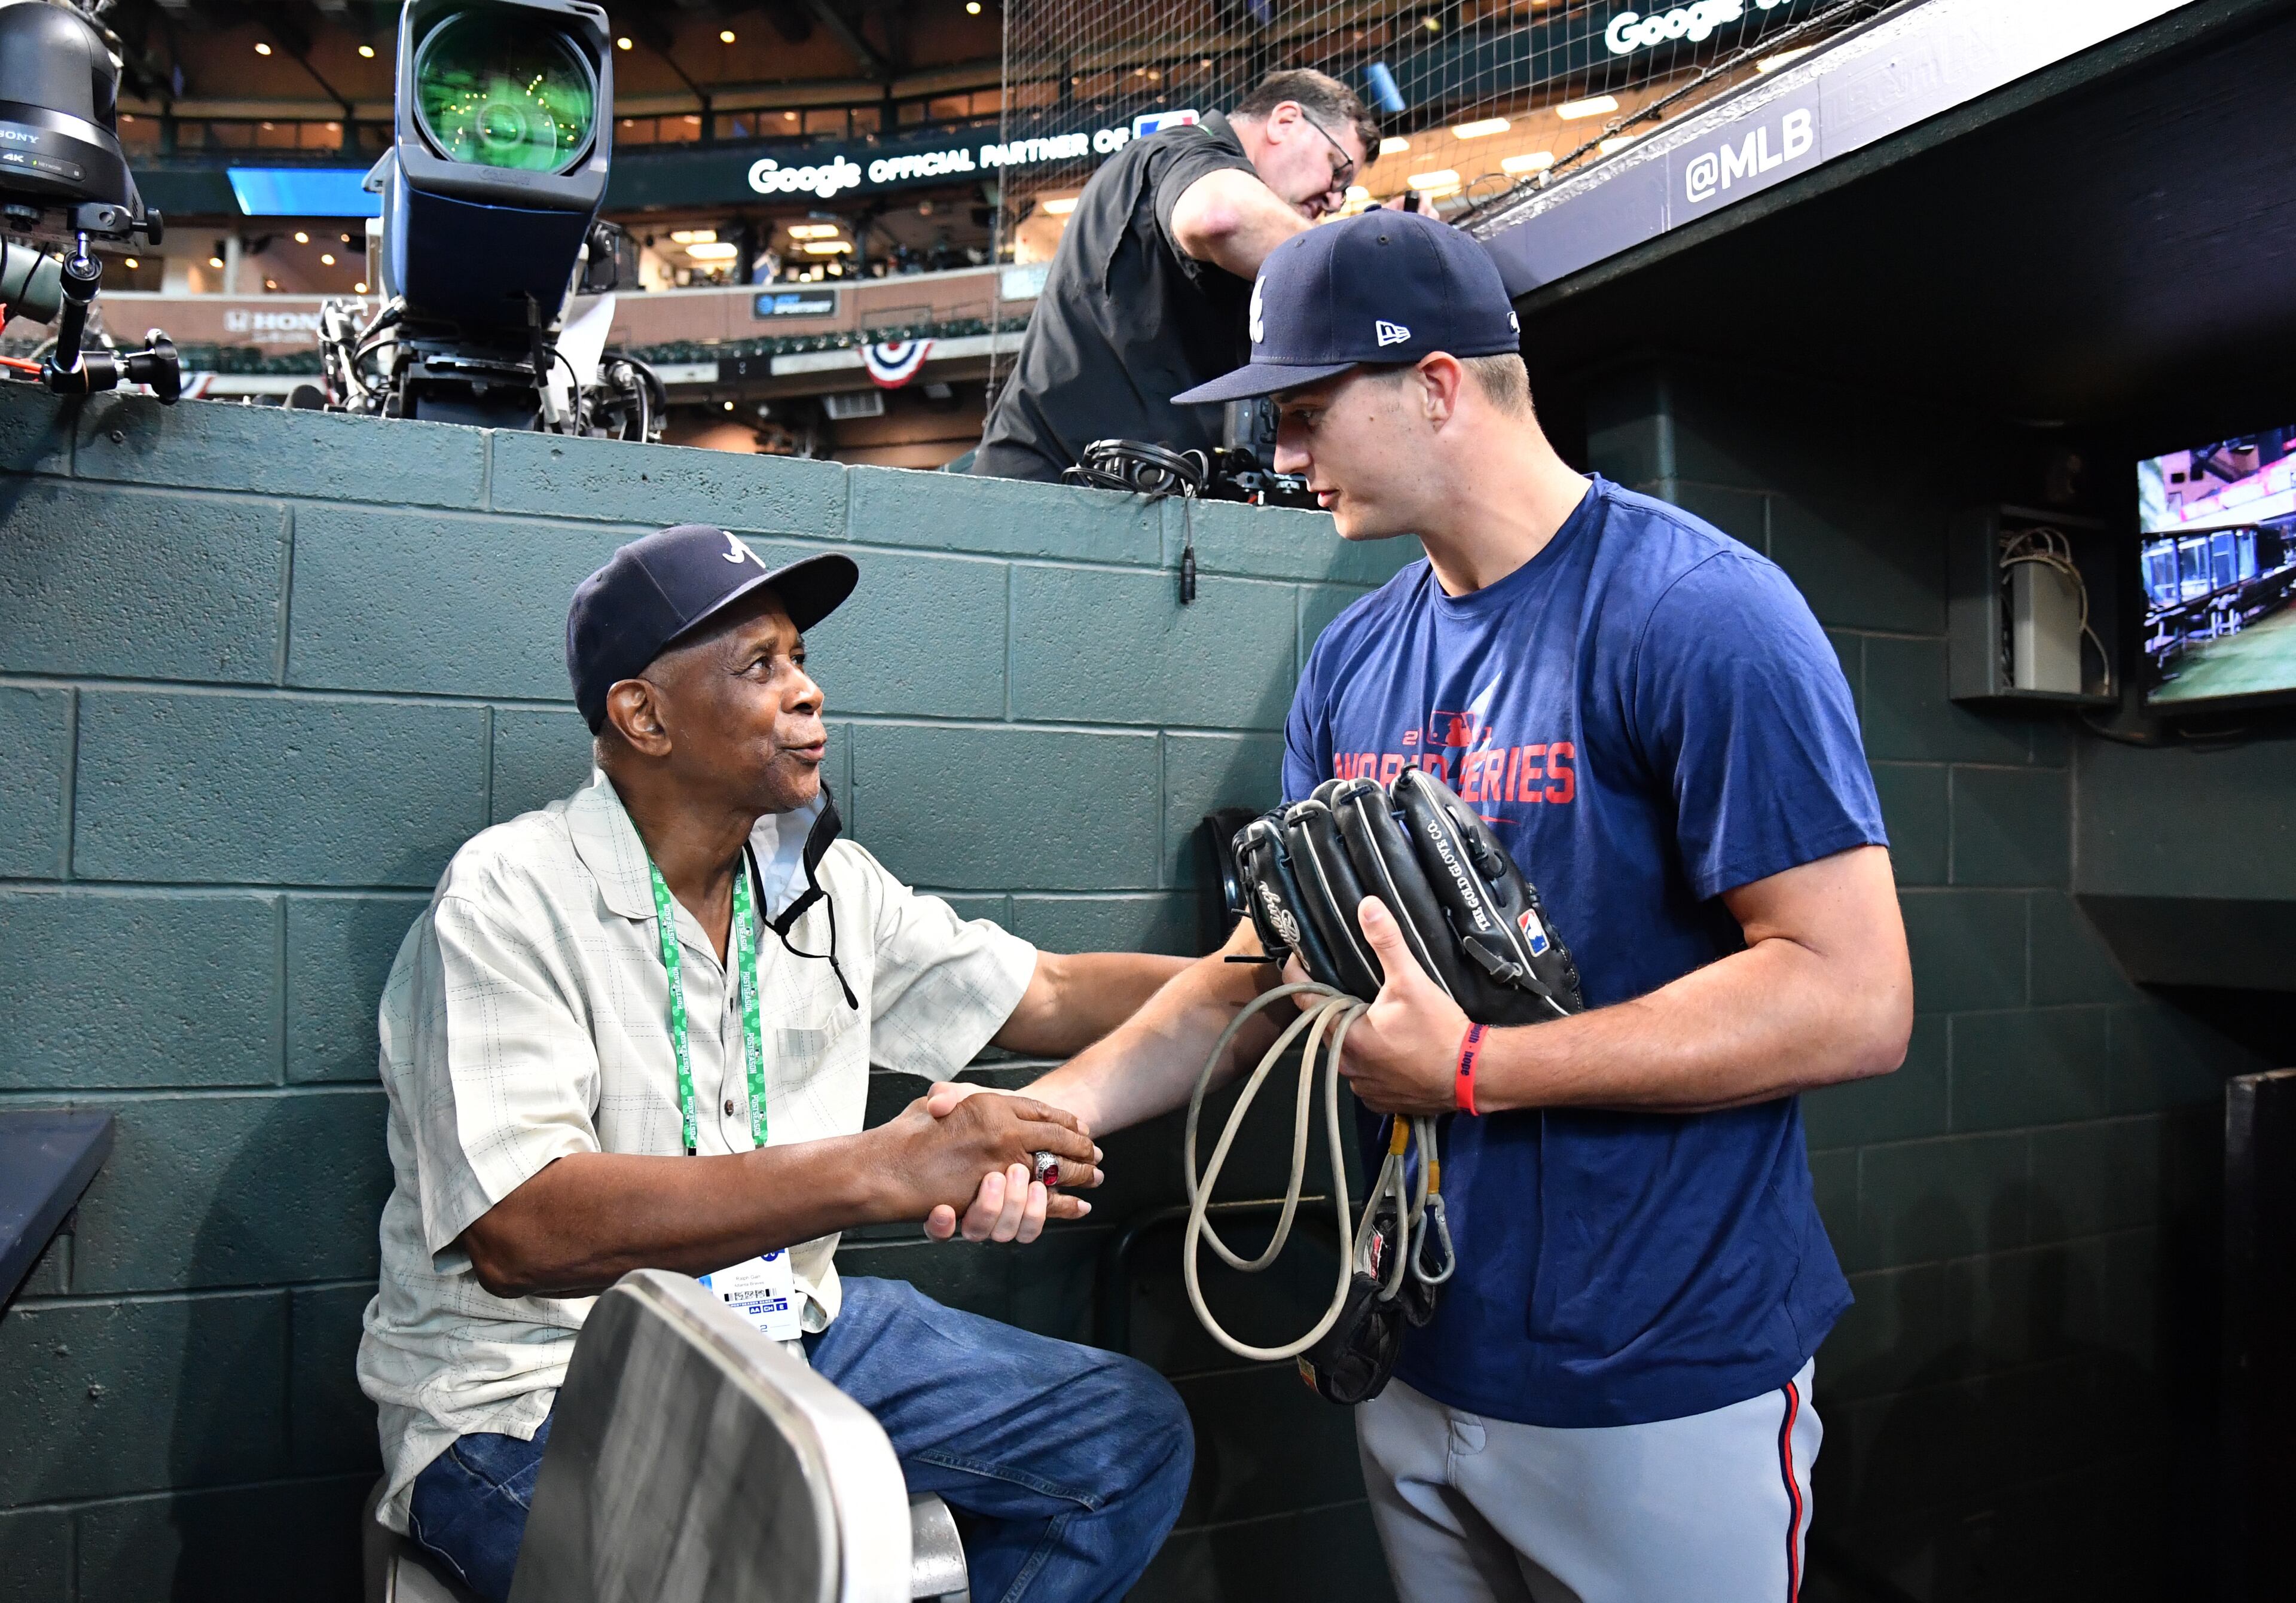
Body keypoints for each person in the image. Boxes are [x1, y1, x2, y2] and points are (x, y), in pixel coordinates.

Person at [935, 212, 1914, 1601]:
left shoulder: (1700, 612)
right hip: (1416, 1348)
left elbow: (1849, 994)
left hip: (1655, 1375)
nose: (1278, 453)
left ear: (1437, 384)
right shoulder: (1356, 655)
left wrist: (1474, 1071)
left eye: (1304, 409)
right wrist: (1048, 1121)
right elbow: (1258, 974)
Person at [356, 524, 1196, 1603]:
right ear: (643, 715)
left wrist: (1252, 969)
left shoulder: (823, 885)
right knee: (758, 1572)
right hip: (540, 1389)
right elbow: (526, 1233)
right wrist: (886, 1168)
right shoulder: (509, 896)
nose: (808, 694)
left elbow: (1050, 993)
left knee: (1120, 1438)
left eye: (800, 659)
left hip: (781, 1325)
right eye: (761, 664)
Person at [970, 68, 1379, 483]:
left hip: (1101, 497)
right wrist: (1385, 263)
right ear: (1285, 121)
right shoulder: (1185, 150)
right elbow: (1221, 215)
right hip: (1047, 495)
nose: (1334, 198)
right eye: (1338, 168)